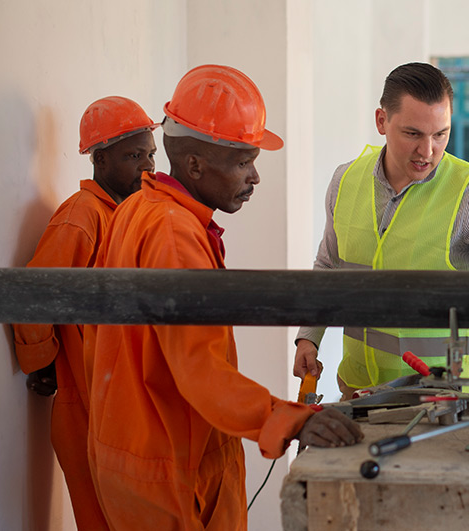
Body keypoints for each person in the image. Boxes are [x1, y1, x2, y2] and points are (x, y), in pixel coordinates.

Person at [85, 65, 363, 529]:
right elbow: (200, 369)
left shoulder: (140, 208)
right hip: (172, 468)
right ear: (194, 165)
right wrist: (288, 420)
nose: (254, 177)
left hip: (140, 449)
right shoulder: (174, 236)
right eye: (242, 162)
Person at [293, 62, 469, 398]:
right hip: (357, 390)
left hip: (440, 399)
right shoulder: (345, 180)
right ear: (382, 121)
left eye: (441, 134)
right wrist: (309, 336)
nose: (428, 151)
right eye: (413, 134)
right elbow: (328, 266)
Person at [11, 95, 158, 530]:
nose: (147, 166)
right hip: (83, 404)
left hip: (116, 400)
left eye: (150, 154)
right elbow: (34, 292)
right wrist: (42, 361)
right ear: (99, 159)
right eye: (133, 156)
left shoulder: (126, 214)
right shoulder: (81, 216)